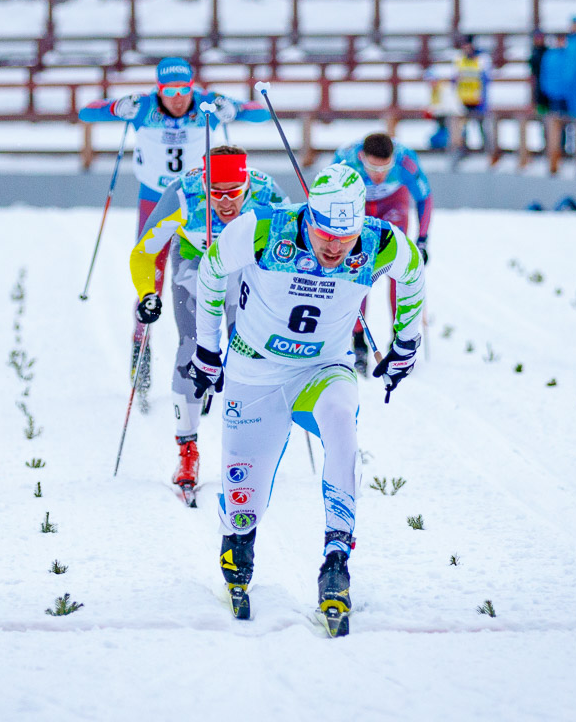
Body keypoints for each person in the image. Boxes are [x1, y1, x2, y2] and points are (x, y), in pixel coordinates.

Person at [184, 163, 426, 635]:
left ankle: (336, 559)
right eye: (324, 234)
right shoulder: (263, 229)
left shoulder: (381, 241)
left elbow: (413, 274)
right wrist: (207, 347)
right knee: (243, 503)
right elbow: (211, 271)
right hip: (256, 372)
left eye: (346, 236)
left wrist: (406, 344)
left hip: (324, 368)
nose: (334, 247)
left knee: (342, 424)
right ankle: (238, 538)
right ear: (309, 217)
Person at [78, 57, 269, 409]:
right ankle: (141, 345)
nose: (178, 98)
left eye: (184, 90)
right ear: (159, 89)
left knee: (205, 277)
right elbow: (87, 112)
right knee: (150, 273)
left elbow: (262, 113)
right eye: (170, 92)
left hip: (199, 202)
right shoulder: (144, 106)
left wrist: (235, 107)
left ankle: (208, 365)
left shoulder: (207, 104)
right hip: (155, 200)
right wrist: (114, 107)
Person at [129, 145, 285, 494]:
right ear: (205, 186)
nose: (226, 203)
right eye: (216, 194)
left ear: (247, 185)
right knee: (191, 349)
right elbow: (144, 251)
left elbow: (295, 243)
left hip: (243, 269)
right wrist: (146, 294)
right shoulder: (183, 195)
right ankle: (187, 450)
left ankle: (249, 446)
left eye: (233, 194)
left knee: (249, 352)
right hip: (194, 266)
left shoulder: (267, 193)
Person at [331, 133, 432, 375]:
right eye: (371, 167)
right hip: (360, 205)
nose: (378, 175)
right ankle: (358, 342)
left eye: (385, 167)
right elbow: (326, 197)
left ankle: (399, 340)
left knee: (399, 269)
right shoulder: (344, 160)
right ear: (361, 158)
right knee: (357, 269)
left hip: (393, 204)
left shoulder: (406, 160)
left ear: (393, 160)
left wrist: (423, 239)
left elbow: (424, 198)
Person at [451, 36, 490, 152]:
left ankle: (486, 150)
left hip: (477, 99)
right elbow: (454, 79)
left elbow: (485, 81)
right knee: (462, 127)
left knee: (482, 125)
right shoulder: (459, 60)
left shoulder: (481, 60)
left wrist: (484, 99)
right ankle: (462, 149)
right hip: (463, 99)